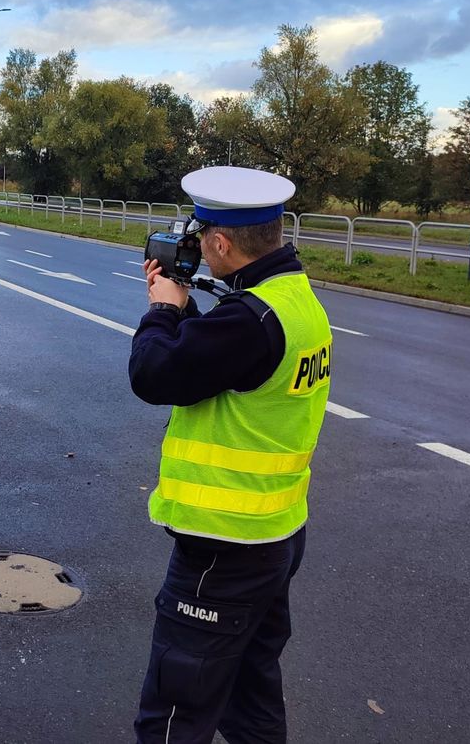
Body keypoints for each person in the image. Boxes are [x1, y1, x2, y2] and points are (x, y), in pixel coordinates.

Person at [130, 166, 332, 744]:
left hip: (224, 546)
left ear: (220, 242)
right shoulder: (292, 300)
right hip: (275, 533)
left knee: (175, 707)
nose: (196, 248)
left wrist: (164, 310)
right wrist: (185, 307)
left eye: (200, 238)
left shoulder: (249, 318)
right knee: (249, 693)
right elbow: (220, 366)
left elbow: (155, 374)